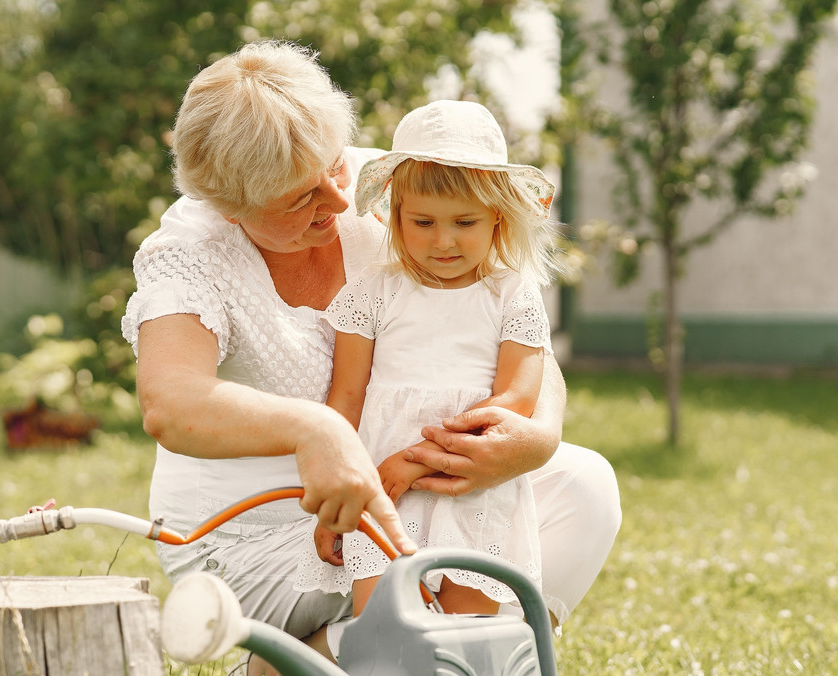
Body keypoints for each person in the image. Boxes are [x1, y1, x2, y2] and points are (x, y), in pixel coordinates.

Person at [120, 40, 621, 668]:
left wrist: (535, 431)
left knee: (583, 485)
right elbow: (170, 403)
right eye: (298, 199)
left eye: (333, 167)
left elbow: (509, 321)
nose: (337, 201)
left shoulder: (401, 186)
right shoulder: (189, 254)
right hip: (263, 534)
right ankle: (311, 657)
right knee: (420, 606)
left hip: (408, 484)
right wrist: (316, 430)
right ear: (229, 208)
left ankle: (445, 658)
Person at [298, 99, 560, 618]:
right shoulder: (373, 292)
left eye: (465, 222)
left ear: (498, 219)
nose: (443, 241)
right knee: (385, 629)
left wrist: (412, 463)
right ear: (395, 216)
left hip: (473, 487)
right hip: (382, 493)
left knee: (467, 638)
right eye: (423, 222)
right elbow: (345, 397)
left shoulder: (512, 295)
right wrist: (334, 491)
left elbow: (515, 400)